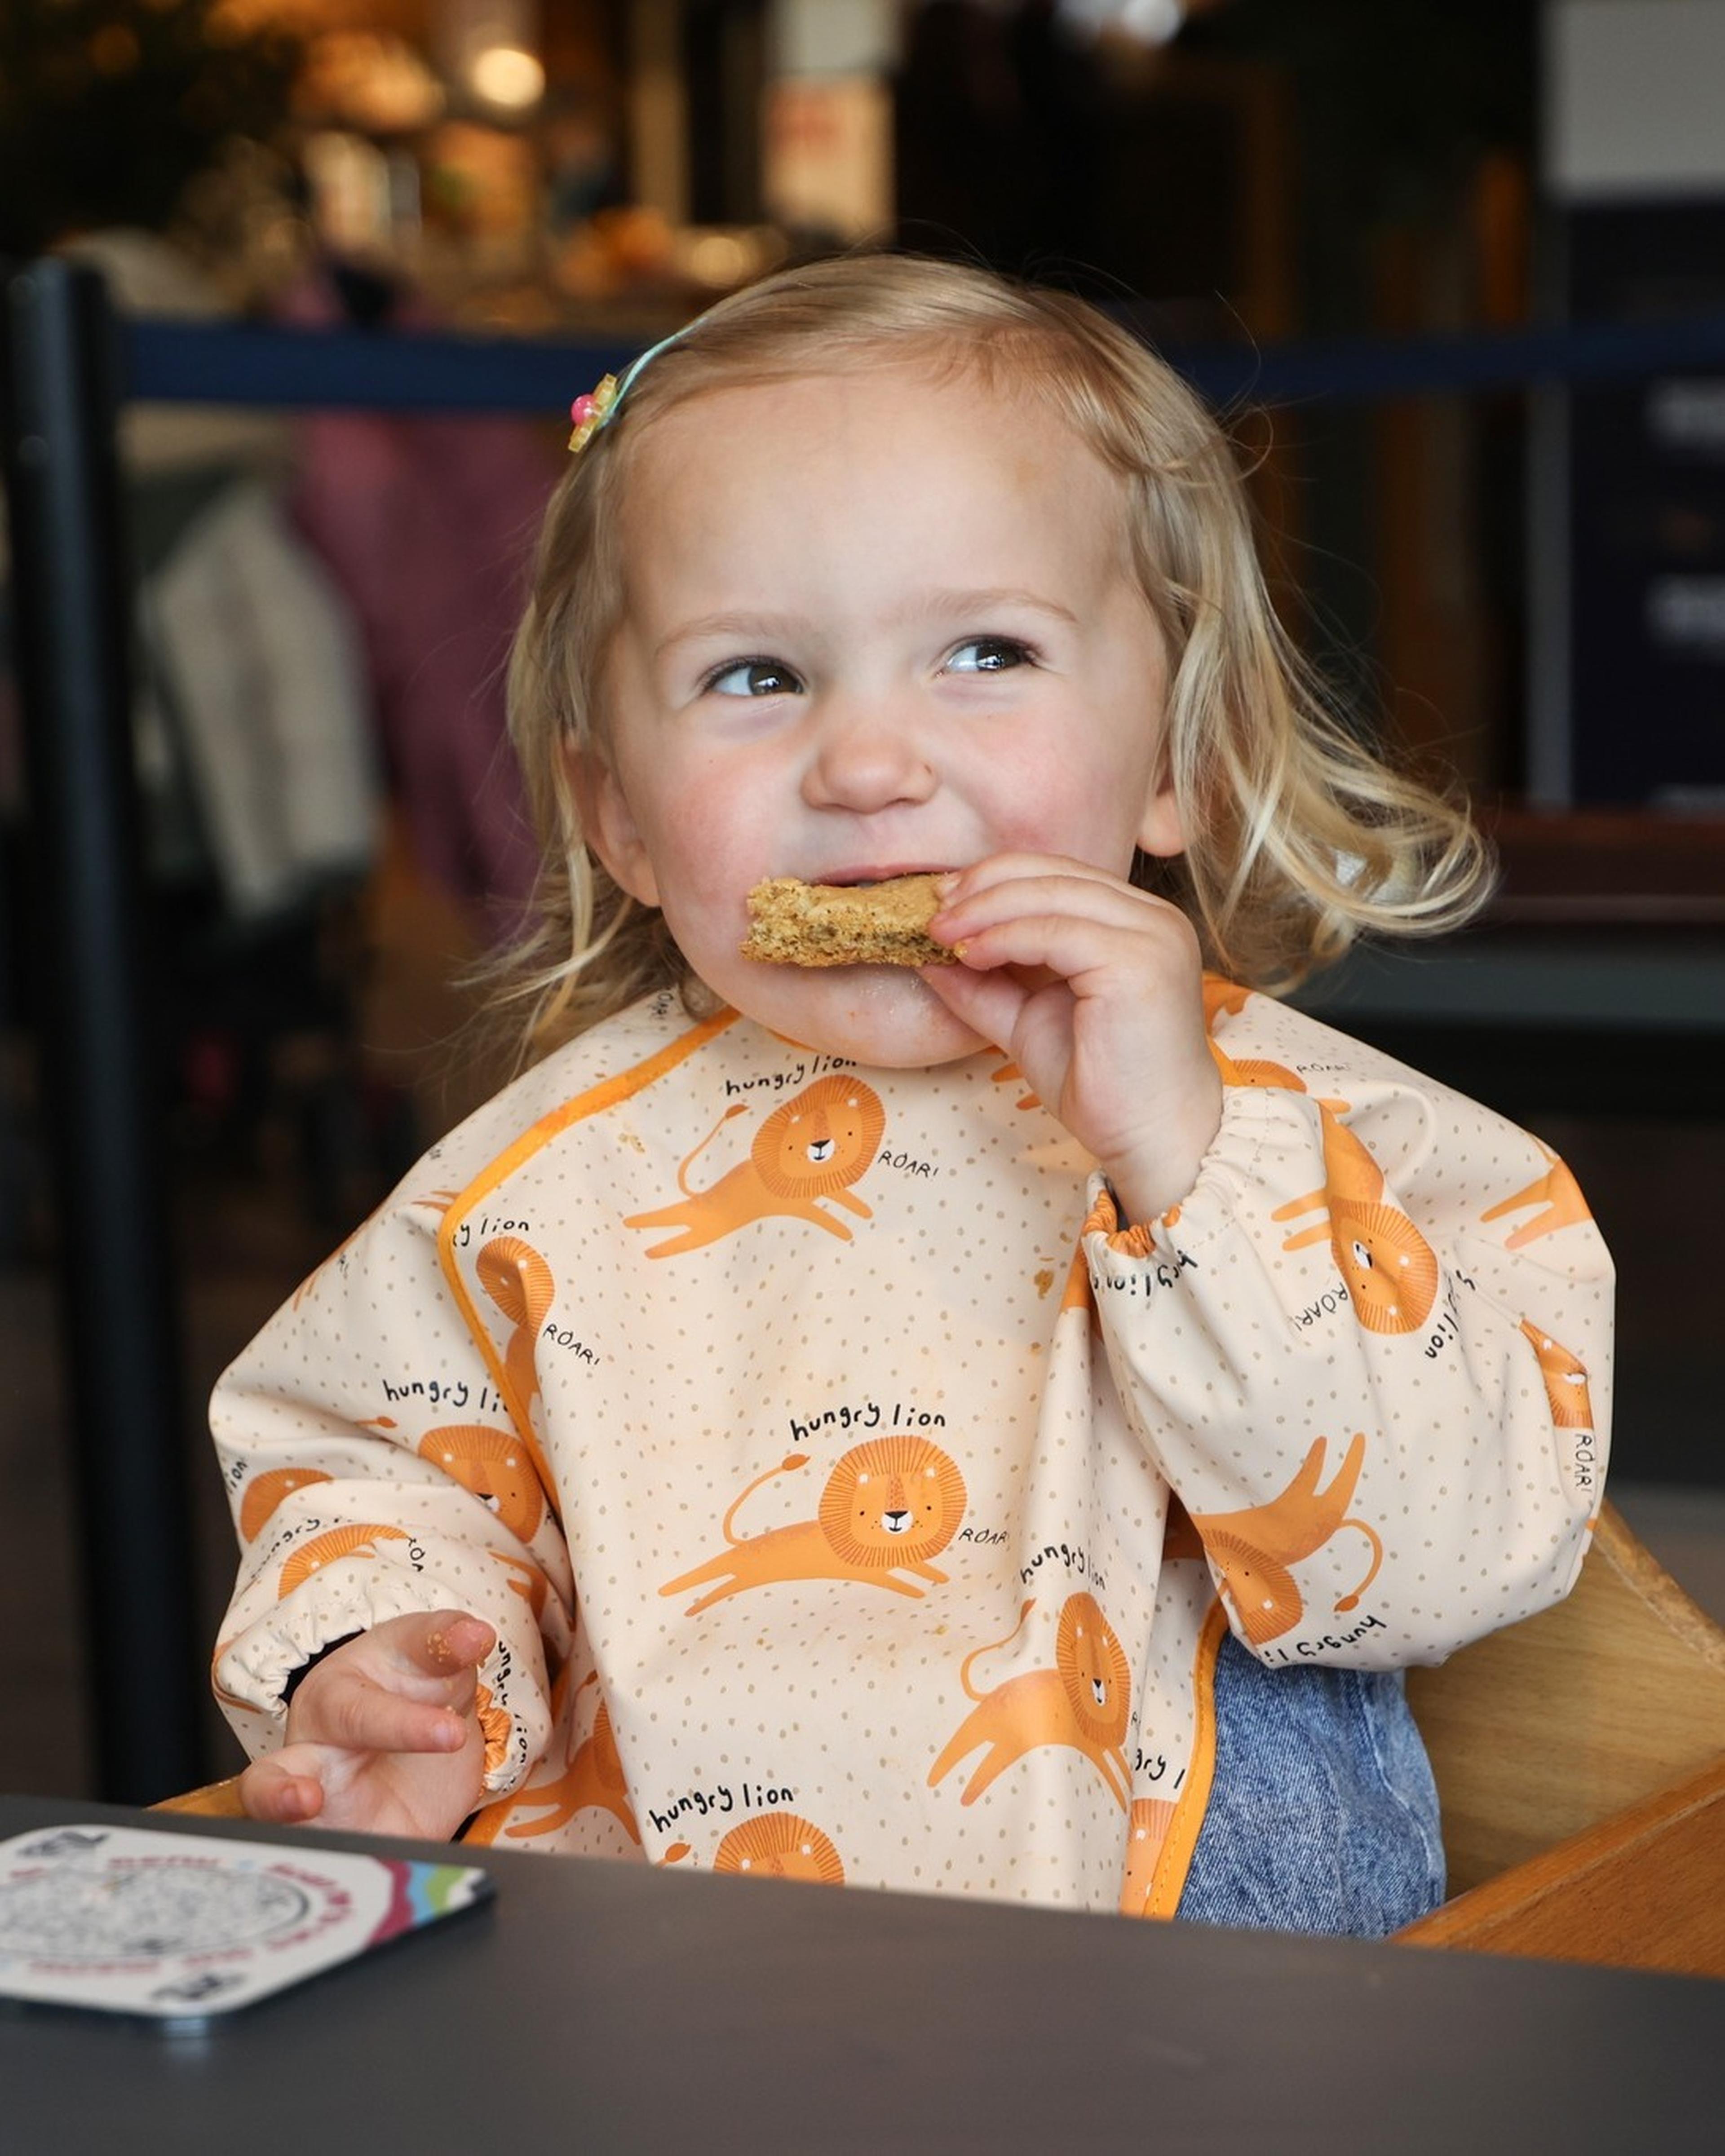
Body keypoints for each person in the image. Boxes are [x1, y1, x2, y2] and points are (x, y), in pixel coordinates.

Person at [209, 254, 1612, 1935]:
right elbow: (372, 1466)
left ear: (1176, 754)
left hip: (1216, 2014)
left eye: (986, 652)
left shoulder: (1342, 1139)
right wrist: (398, 1661)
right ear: (617, 814)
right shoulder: (530, 1189)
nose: (869, 765)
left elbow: (1445, 1558)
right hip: (673, 2010)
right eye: (756, 678)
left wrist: (1189, 1167)